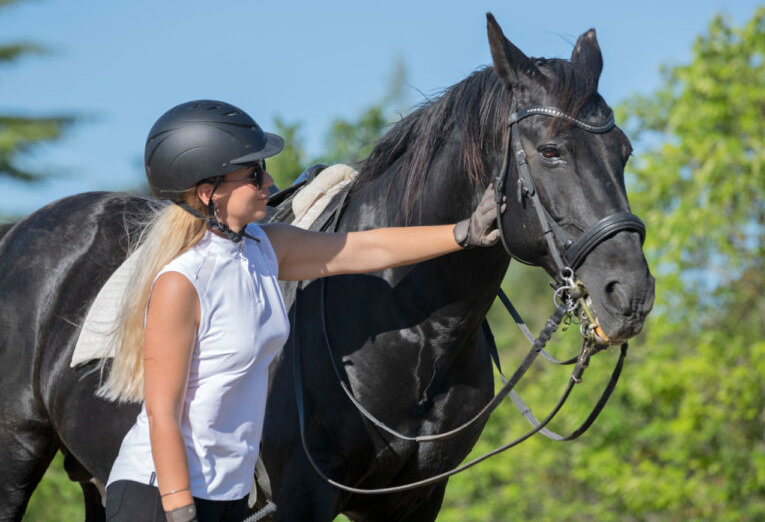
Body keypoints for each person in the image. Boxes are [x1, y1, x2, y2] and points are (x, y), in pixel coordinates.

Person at [100, 99, 501, 522]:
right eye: (253, 174)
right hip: (160, 494)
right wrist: (181, 510)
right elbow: (163, 412)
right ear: (208, 193)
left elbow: (367, 247)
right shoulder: (182, 283)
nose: (269, 181)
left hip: (227, 495)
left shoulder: (264, 248)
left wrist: (464, 232)